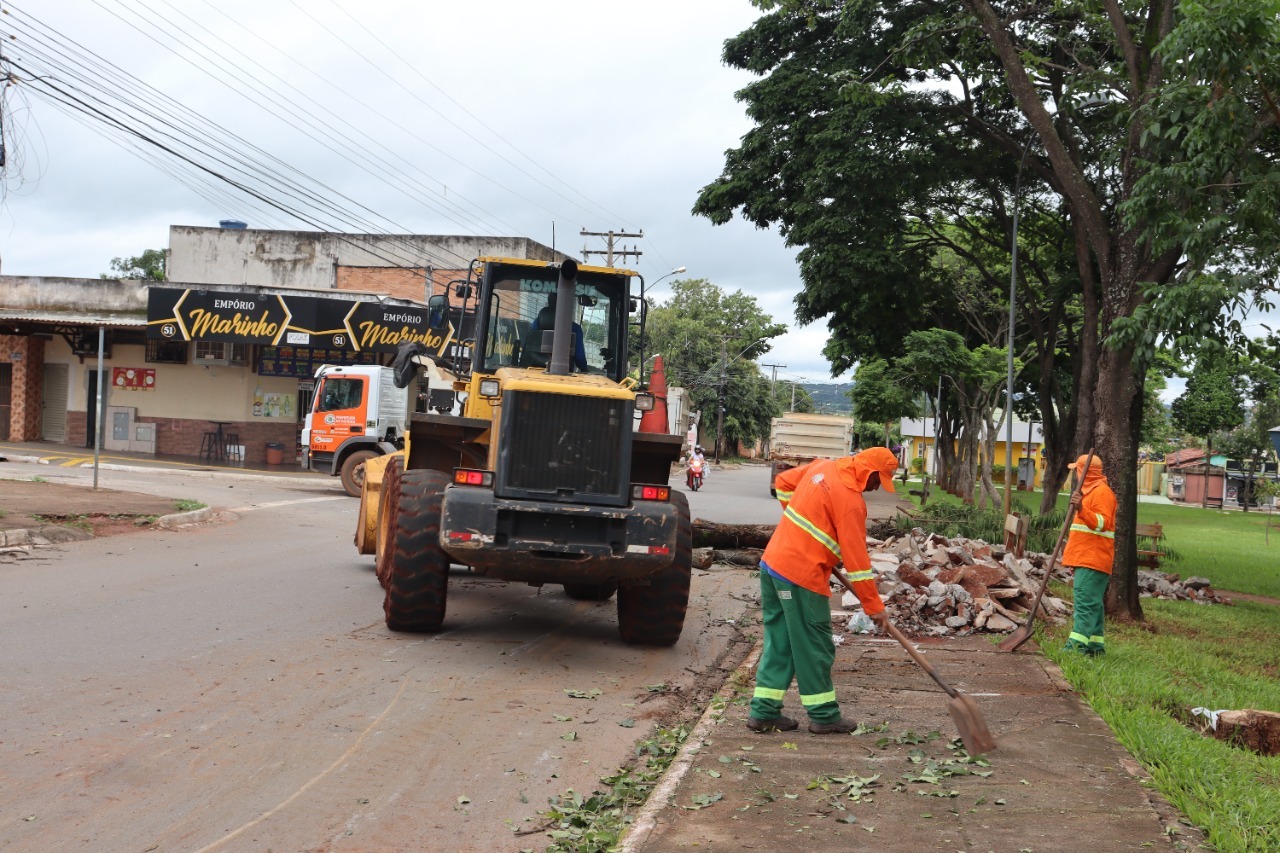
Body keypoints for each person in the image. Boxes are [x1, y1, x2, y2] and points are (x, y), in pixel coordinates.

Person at [749, 446, 898, 734]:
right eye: (879, 480)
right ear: (869, 472)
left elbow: (782, 484)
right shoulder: (852, 504)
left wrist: (803, 529)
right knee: (814, 644)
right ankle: (824, 715)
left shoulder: (822, 467)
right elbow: (858, 565)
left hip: (772, 566)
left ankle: (763, 712)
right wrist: (874, 606)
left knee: (781, 641)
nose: (877, 487)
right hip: (800, 577)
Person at [1062, 452, 1117, 656]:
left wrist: (1081, 509)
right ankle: (1094, 647)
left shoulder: (1102, 493)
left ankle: (1074, 649)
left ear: (1084, 472)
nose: (1075, 475)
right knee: (1093, 604)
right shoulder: (1091, 493)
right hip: (1088, 559)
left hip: (1093, 560)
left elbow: (1102, 523)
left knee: (1085, 604)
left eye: (1076, 471)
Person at [528, 293, 589, 372]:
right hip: (564, 374)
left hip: (532, 371)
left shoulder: (536, 324)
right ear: (567, 305)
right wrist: (585, 370)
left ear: (549, 302)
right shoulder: (574, 329)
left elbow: (529, 347)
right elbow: (579, 357)